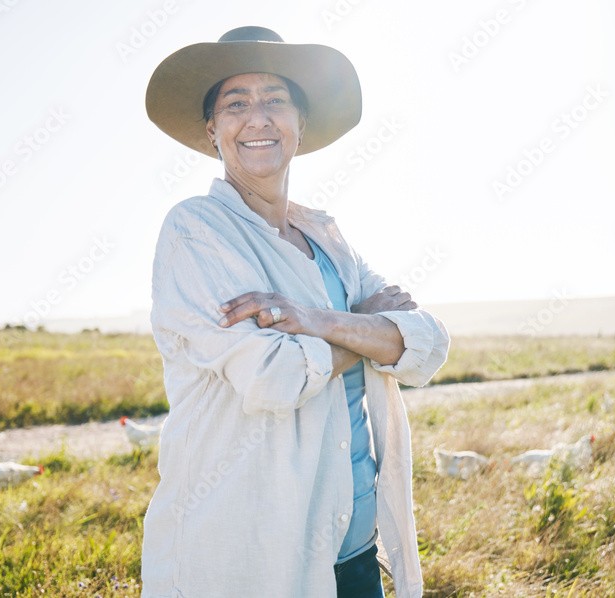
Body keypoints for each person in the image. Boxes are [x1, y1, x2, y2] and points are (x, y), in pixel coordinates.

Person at [141, 26, 450, 598]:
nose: (257, 117)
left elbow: (427, 342)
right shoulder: (195, 231)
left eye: (275, 100)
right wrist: (365, 328)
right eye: (236, 104)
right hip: (251, 560)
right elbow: (275, 377)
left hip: (354, 550)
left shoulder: (329, 240)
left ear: (300, 125)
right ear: (213, 130)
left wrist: (311, 319)